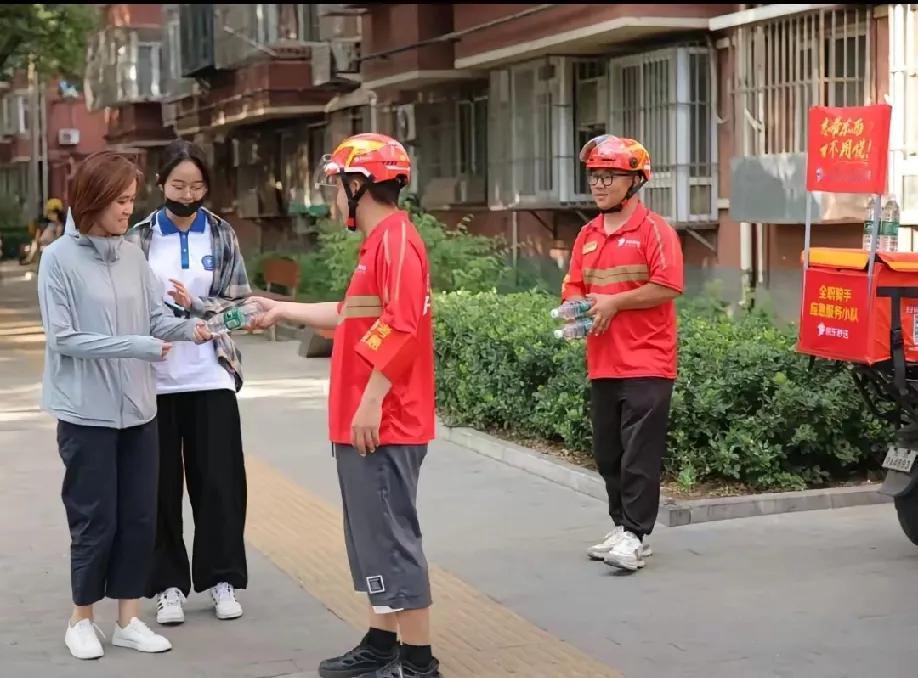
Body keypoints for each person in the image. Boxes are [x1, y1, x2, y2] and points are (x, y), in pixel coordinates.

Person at [253, 133, 439, 678]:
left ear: (360, 185)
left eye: (338, 186)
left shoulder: (396, 241)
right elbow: (348, 315)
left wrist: (372, 401)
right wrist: (280, 310)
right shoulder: (379, 245)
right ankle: (381, 644)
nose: (334, 198)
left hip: (385, 422)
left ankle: (419, 664)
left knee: (392, 540)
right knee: (372, 539)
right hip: (368, 419)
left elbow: (402, 326)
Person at [36, 151, 211, 660]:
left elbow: (156, 321)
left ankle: (129, 619)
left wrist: (197, 329)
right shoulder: (57, 259)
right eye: (120, 201)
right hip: (84, 413)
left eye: (132, 200)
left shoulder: (133, 256)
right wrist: (137, 346)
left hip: (138, 409)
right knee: (95, 520)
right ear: (92, 200)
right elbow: (64, 338)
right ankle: (81, 619)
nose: (128, 210)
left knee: (138, 517)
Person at [126, 139, 251, 625]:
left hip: (209, 374)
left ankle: (221, 579)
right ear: (161, 184)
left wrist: (196, 306)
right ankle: (167, 586)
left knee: (220, 481)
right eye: (178, 185)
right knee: (158, 488)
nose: (187, 195)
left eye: (197, 186)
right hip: (153, 380)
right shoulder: (138, 238)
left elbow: (240, 306)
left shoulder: (221, 234)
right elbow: (123, 306)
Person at [562, 135, 684, 572]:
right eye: (594, 175)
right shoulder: (588, 234)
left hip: (648, 360)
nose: (598, 184)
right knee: (608, 452)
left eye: (608, 175)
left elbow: (668, 285)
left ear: (634, 181)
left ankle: (635, 533)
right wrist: (576, 309)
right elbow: (574, 286)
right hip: (603, 362)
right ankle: (621, 526)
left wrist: (615, 302)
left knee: (639, 454)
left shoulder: (654, 230)